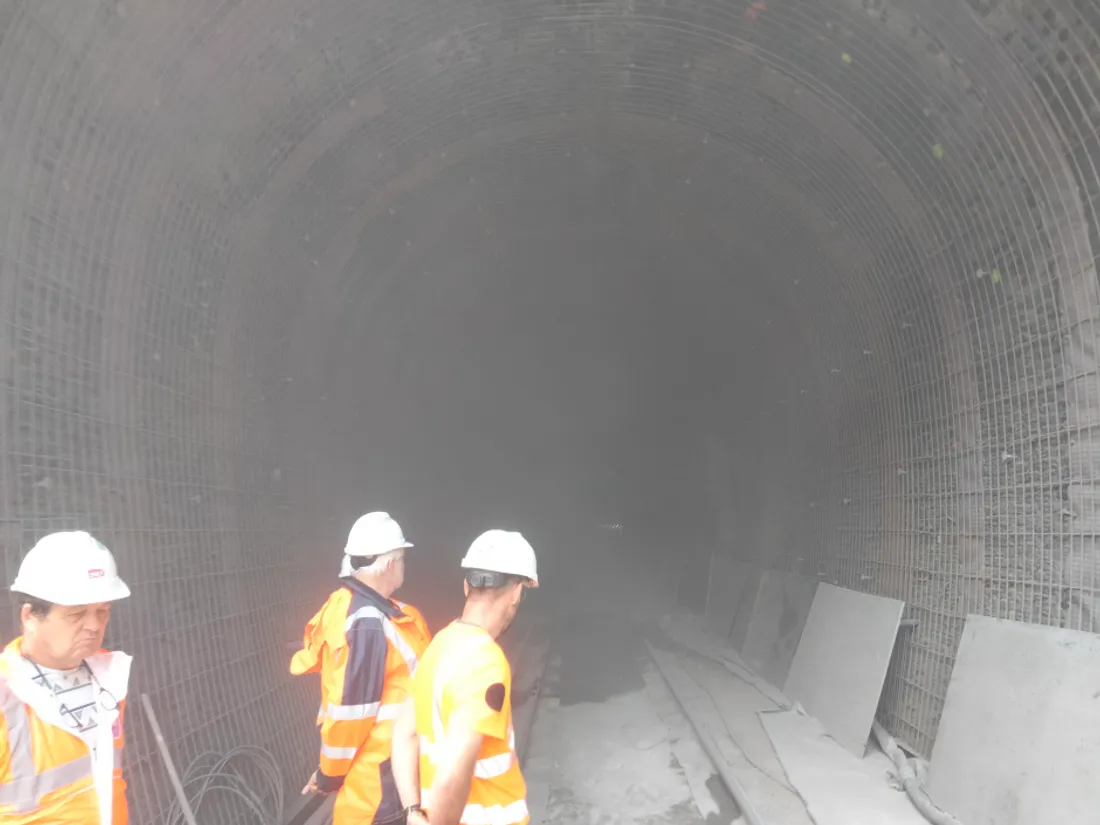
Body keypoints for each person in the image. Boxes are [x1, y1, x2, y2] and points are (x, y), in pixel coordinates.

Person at [291, 512, 432, 825]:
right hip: (381, 784)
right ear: (390, 564)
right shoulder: (369, 623)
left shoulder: (349, 606)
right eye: (402, 558)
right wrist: (329, 775)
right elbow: (351, 713)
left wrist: (329, 772)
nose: (404, 566)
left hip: (383, 774)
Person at [391, 530, 538, 825]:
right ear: (516, 593)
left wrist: (413, 811)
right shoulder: (485, 662)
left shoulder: (440, 644)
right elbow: (451, 775)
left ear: (465, 586)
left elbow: (404, 734)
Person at [0, 530, 133, 824]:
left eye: (102, 611)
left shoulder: (109, 681)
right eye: (76, 615)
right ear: (29, 617)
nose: (94, 626)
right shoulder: (7, 699)